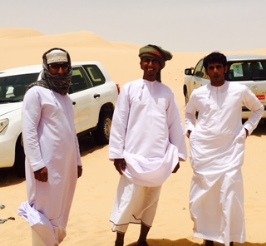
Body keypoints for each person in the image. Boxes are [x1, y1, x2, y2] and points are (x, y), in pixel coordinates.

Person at [109, 44, 187, 246]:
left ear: (160, 66)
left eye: (154, 62)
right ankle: (119, 240)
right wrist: (117, 154)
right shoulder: (129, 89)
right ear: (141, 63)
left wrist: (177, 156)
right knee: (128, 199)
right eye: (147, 61)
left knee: (151, 200)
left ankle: (143, 239)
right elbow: (119, 122)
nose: (150, 65)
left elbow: (174, 126)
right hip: (132, 157)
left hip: (158, 159)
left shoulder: (166, 93)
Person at [185, 52, 264, 246]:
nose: (215, 71)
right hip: (205, 154)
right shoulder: (199, 93)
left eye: (218, 67)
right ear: (207, 71)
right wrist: (191, 131)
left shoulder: (239, 90)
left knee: (230, 196)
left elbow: (258, 109)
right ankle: (208, 238)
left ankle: (228, 239)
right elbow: (188, 114)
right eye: (211, 68)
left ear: (225, 68)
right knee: (205, 198)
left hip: (231, 153)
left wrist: (246, 130)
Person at [18, 48, 82, 246]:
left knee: (60, 210)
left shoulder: (65, 97)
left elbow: (72, 132)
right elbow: (28, 132)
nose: (61, 72)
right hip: (45, 168)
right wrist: (37, 164)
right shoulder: (35, 93)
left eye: (64, 66)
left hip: (66, 168)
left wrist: (77, 161)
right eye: (55, 67)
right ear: (47, 68)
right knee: (43, 212)